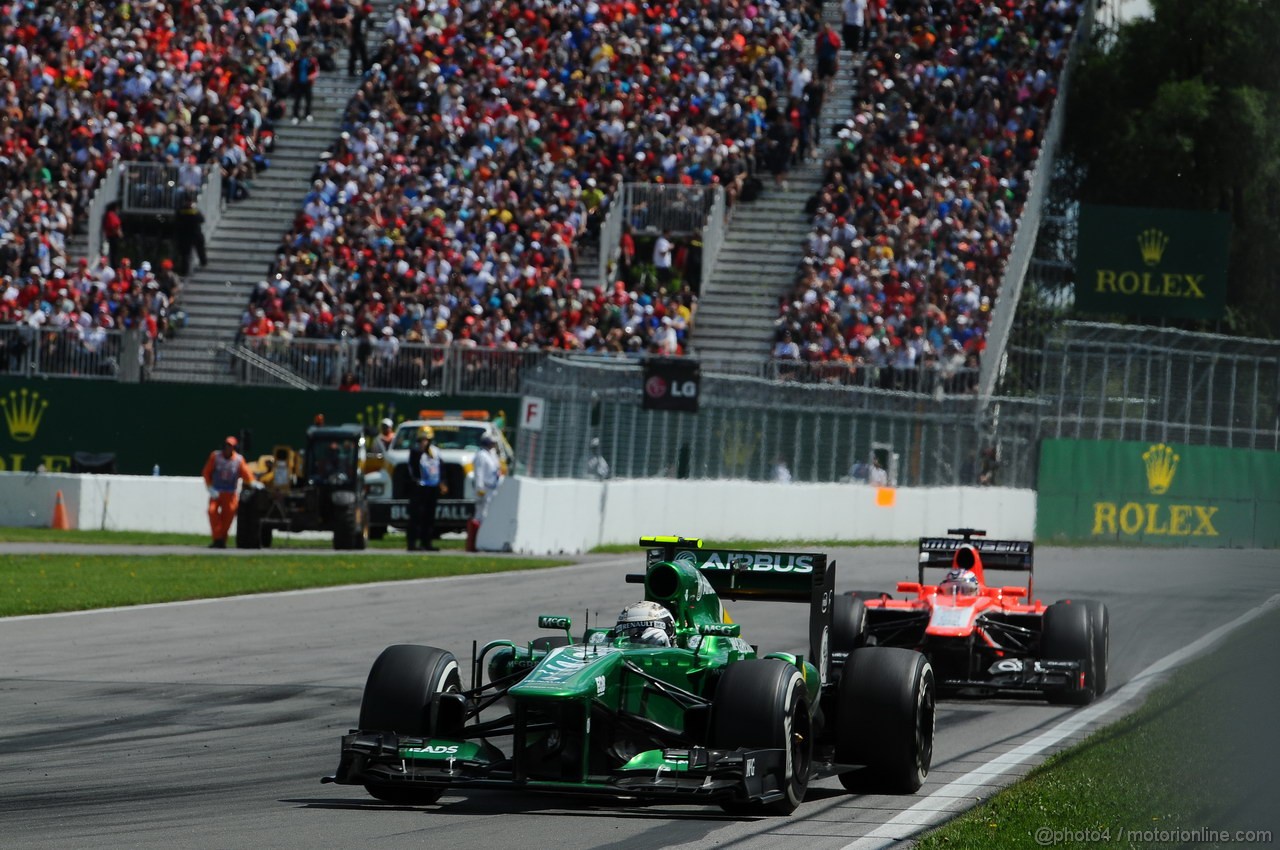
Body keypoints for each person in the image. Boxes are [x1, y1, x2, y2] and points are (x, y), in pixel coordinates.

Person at [201, 436, 257, 549]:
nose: (228, 448)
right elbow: (206, 472)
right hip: (216, 492)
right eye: (226, 445)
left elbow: (246, 473)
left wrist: (252, 482)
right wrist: (210, 487)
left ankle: (222, 540)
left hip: (230, 494)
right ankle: (217, 537)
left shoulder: (238, 460)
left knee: (229, 515)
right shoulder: (215, 456)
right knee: (212, 511)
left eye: (230, 446)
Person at [406, 426, 443, 551]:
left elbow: (441, 468)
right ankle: (412, 543)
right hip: (419, 487)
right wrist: (421, 452)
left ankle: (427, 543)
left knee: (429, 517)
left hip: (432, 488)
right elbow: (413, 469)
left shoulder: (436, 452)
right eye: (421, 440)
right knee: (416, 516)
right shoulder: (415, 452)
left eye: (426, 440)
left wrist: (442, 483)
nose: (424, 442)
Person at [472, 433, 503, 523]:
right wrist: (480, 488)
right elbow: (479, 472)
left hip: (493, 488)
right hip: (484, 488)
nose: (493, 444)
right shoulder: (481, 455)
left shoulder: (492, 454)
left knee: (489, 513)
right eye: (491, 442)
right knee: (481, 514)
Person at [174, 192, 207, 275]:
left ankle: (203, 263)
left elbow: (202, 219)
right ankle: (184, 271)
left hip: (195, 234)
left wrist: (194, 211)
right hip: (186, 236)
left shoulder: (194, 211)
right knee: (185, 255)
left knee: (200, 250)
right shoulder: (181, 210)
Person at [290, 46, 320, 124]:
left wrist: (310, 77)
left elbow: (316, 72)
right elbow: (293, 71)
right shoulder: (297, 61)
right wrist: (294, 78)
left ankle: (308, 114)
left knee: (308, 100)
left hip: (308, 84)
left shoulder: (312, 61)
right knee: (297, 100)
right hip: (298, 83)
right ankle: (295, 115)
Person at [102, 201, 124, 269]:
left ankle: (115, 265)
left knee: (116, 253)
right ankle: (114, 266)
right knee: (113, 253)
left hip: (115, 236)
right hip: (112, 236)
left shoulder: (113, 214)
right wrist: (117, 232)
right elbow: (112, 226)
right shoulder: (110, 214)